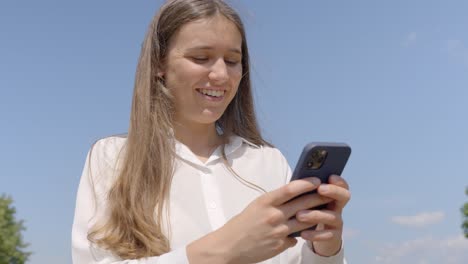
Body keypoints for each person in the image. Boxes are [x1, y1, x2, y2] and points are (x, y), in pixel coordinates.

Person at [71, 0, 351, 263]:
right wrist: (224, 248)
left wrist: (325, 249)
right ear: (159, 64)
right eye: (201, 57)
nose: (220, 75)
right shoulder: (112, 157)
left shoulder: (269, 161)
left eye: (232, 61)